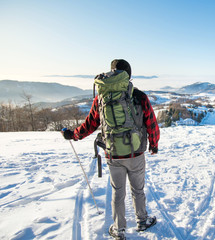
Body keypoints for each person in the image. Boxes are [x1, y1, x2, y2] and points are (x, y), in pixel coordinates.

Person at [62, 59, 160, 240]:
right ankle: (142, 220)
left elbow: (89, 124)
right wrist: (154, 144)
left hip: (113, 152)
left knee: (117, 191)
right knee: (138, 189)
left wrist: (73, 135)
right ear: (128, 75)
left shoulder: (101, 97)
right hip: (136, 153)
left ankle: (119, 228)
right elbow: (151, 124)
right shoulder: (138, 96)